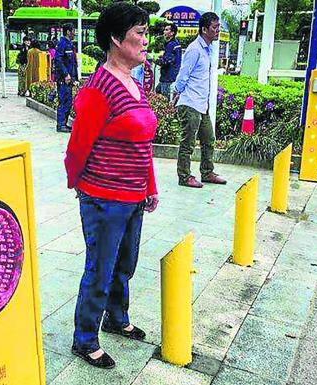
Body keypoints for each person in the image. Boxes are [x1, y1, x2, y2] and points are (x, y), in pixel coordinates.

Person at [64, 2, 159, 369]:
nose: (146, 40)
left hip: (134, 196)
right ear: (117, 39)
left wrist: (149, 186)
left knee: (125, 265)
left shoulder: (135, 85)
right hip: (104, 198)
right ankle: (85, 338)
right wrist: (81, 188)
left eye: (146, 32)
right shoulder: (97, 89)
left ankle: (116, 318)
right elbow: (77, 149)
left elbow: (143, 144)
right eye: (140, 33)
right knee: (100, 269)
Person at [171, 12, 227, 188]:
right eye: (214, 27)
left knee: (209, 139)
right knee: (187, 143)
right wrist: (177, 93)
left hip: (202, 104)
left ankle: (207, 172)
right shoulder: (194, 49)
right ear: (204, 29)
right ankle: (184, 176)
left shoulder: (208, 49)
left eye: (218, 27)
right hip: (190, 103)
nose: (218, 30)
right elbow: (183, 74)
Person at [54, 23, 78, 133]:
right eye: (73, 30)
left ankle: (64, 123)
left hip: (69, 79)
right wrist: (65, 74)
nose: (75, 33)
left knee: (68, 101)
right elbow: (58, 60)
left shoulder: (70, 44)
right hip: (64, 79)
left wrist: (75, 78)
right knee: (64, 101)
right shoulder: (62, 44)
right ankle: (60, 125)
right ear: (68, 32)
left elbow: (72, 63)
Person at [155, 23, 181, 98]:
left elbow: (166, 61)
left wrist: (155, 60)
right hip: (172, 76)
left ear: (172, 33)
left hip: (167, 77)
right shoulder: (176, 43)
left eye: (166, 30)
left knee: (164, 99)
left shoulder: (171, 45)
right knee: (158, 90)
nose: (164, 32)